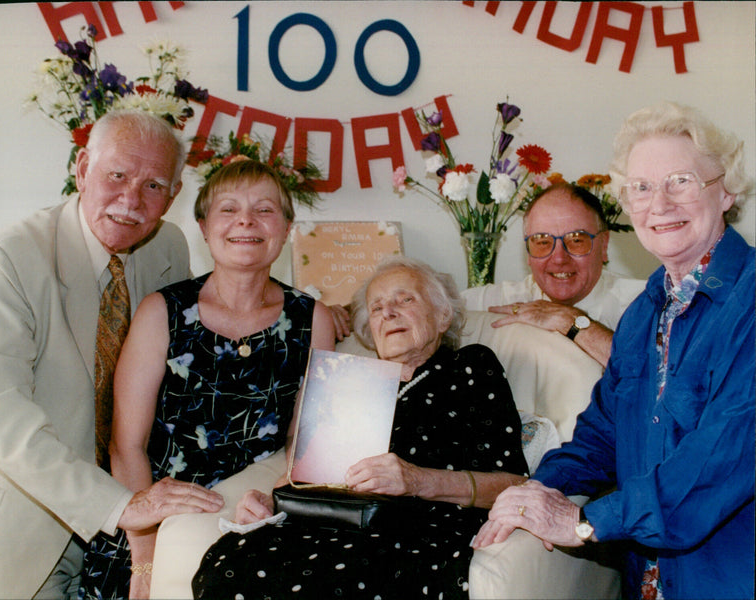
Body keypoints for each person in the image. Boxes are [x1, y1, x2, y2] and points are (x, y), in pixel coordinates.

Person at [473, 102, 754, 600]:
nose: (659, 204)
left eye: (682, 181)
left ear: (727, 190)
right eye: (641, 188)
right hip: (647, 583)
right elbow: (601, 436)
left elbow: (719, 463)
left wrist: (582, 522)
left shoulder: (749, 302)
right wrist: (536, 490)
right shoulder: (646, 312)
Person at [0, 109, 226, 600]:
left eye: (152, 186)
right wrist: (118, 506)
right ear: (81, 169)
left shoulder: (167, 245)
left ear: (174, 194)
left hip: (134, 522)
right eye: (116, 175)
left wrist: (312, 310)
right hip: (25, 523)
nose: (130, 201)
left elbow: (191, 355)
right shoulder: (9, 259)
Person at [191, 255, 529, 599]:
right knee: (227, 565)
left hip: (411, 533)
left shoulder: (470, 366)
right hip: (323, 525)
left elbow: (513, 483)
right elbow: (303, 478)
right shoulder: (351, 382)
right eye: (377, 307)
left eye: (405, 299)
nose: (389, 313)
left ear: (443, 316)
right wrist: (267, 500)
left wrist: (418, 480)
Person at [80, 159, 337, 599]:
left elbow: (306, 447)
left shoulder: (313, 319)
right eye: (228, 208)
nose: (246, 221)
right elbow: (126, 446)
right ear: (203, 226)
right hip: (152, 516)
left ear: (288, 227)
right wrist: (145, 557)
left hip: (255, 515)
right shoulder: (161, 311)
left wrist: (270, 504)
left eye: (264, 209)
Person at [461, 183, 645, 366]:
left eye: (576, 240)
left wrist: (570, 320)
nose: (559, 258)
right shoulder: (503, 300)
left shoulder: (644, 304)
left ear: (604, 245)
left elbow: (652, 377)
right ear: (528, 251)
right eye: (542, 242)